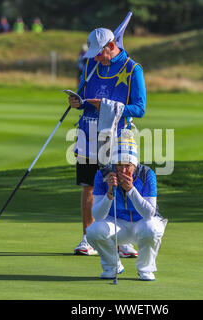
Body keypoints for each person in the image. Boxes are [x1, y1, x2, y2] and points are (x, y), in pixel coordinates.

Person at [68, 28, 147, 257]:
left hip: (118, 134)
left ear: (111, 46)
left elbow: (139, 109)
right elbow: (86, 100)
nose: (95, 58)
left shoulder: (133, 69)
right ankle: (88, 237)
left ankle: (123, 240)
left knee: (121, 185)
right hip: (88, 132)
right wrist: (78, 103)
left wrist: (106, 105)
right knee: (88, 186)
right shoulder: (91, 66)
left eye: (99, 53)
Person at [86, 135, 167, 281]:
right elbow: (97, 216)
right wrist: (109, 193)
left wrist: (130, 189)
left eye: (127, 165)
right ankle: (112, 266)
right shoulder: (102, 174)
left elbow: (149, 213)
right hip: (117, 225)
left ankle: (145, 269)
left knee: (152, 229)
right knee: (93, 231)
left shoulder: (147, 174)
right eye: (119, 165)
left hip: (142, 224)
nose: (123, 170)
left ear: (134, 164)